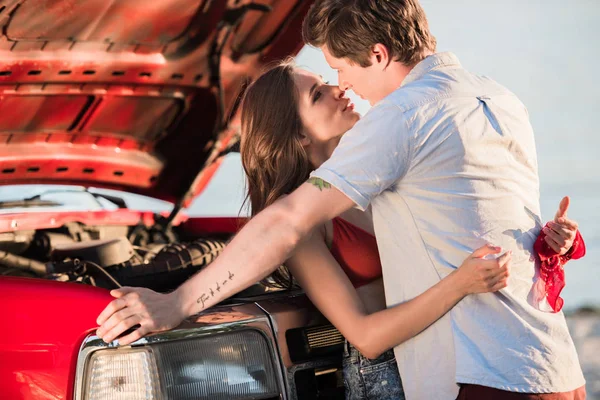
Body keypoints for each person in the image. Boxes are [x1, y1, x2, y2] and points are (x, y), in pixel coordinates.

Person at [97, 1, 586, 398]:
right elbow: (286, 225)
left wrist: (547, 241)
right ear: (297, 139)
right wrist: (178, 303)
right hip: (513, 365)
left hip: (477, 369)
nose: (341, 86)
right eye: (321, 89)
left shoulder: (398, 125)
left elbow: (487, 223)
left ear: (375, 54)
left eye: (336, 70)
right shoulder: (495, 97)